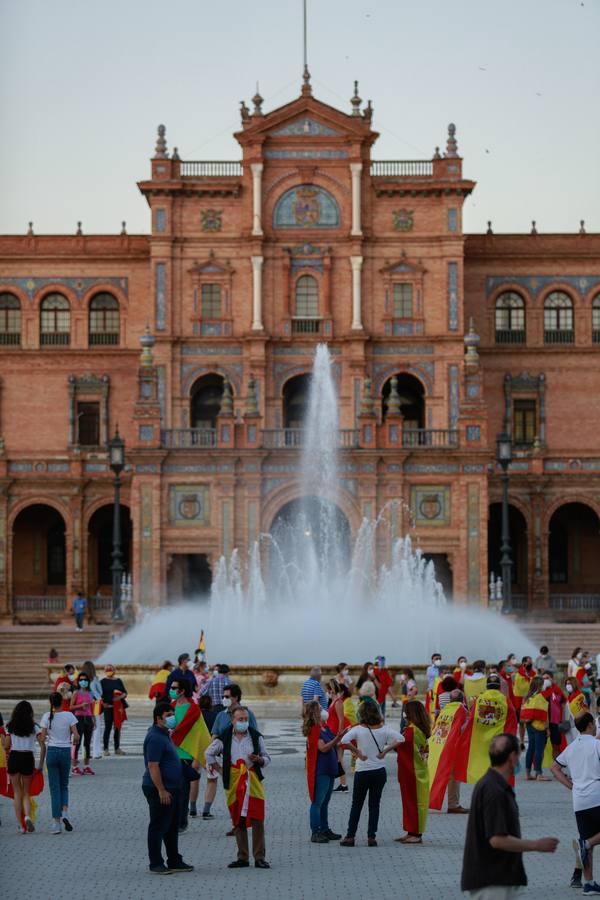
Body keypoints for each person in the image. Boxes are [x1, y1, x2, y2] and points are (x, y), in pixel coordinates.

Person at [461, 732, 559, 896]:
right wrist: (536, 845)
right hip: (493, 881)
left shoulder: (492, 784)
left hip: (496, 877)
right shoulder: (494, 790)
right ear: (512, 757)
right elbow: (497, 839)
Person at [205, 705, 271, 869]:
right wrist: (221, 770)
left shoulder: (256, 737)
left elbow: (267, 758)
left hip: (253, 780)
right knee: (238, 818)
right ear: (232, 721)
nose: (243, 722)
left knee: (257, 818)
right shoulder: (224, 737)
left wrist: (259, 760)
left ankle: (259, 857)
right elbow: (208, 753)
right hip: (233, 782)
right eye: (240, 719)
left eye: (246, 719)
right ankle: (242, 857)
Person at [339, 699, 404, 847]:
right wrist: (385, 751)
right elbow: (401, 738)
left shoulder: (358, 729)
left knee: (357, 804)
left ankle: (350, 836)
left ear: (361, 714)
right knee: (374, 805)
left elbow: (343, 740)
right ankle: (371, 837)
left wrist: (357, 752)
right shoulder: (384, 729)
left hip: (362, 771)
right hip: (379, 771)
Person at [142, 701, 194, 875]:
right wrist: (161, 790)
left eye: (173, 714)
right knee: (158, 826)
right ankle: (155, 862)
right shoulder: (155, 737)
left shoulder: (165, 734)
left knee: (171, 827)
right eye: (168, 715)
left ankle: (174, 860)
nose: (172, 718)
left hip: (173, 788)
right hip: (159, 789)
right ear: (158, 718)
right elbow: (153, 765)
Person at [552, 711, 600, 894]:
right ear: (589, 725)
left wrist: (571, 786)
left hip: (579, 800)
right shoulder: (597, 745)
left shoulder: (571, 748)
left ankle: (589, 883)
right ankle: (586, 845)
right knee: (588, 842)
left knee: (587, 836)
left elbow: (554, 767)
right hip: (597, 795)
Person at [303, 699, 346, 843]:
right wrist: (337, 739)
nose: (324, 711)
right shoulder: (314, 730)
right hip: (320, 769)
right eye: (321, 709)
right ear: (315, 713)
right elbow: (323, 748)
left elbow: (335, 741)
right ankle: (316, 832)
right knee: (317, 802)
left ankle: (325, 829)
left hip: (329, 768)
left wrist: (343, 735)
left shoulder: (325, 727)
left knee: (325, 801)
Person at [2, 700, 46, 833]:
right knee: (26, 793)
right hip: (28, 758)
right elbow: (43, 745)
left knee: (17, 793)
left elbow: (7, 745)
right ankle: (27, 816)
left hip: (14, 757)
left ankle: (21, 826)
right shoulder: (34, 727)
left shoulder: (10, 726)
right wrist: (41, 764)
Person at [40, 692, 78, 834]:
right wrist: (74, 740)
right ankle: (65, 813)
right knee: (64, 786)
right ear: (62, 702)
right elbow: (77, 735)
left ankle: (56, 823)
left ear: (51, 703)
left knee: (54, 789)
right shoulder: (69, 716)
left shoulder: (46, 716)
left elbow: (43, 737)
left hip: (52, 753)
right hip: (65, 752)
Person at [393, 699, 430, 844]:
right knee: (410, 803)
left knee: (414, 803)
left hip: (412, 772)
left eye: (406, 712)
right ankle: (410, 831)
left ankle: (416, 833)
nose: (404, 715)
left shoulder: (411, 730)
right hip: (413, 771)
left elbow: (399, 744)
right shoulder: (417, 728)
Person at [168, 678, 201, 833]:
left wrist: (196, 757)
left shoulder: (193, 708)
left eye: (174, 687)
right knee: (172, 789)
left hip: (186, 755)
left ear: (182, 690)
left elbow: (199, 734)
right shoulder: (171, 706)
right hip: (171, 754)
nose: (171, 689)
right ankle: (173, 819)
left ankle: (182, 822)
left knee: (182, 790)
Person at [521, 675, 551, 781]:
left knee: (531, 748)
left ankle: (528, 773)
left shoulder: (528, 697)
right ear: (540, 686)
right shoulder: (540, 698)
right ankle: (539, 773)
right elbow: (543, 715)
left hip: (529, 726)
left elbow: (524, 712)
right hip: (539, 726)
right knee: (539, 750)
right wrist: (547, 728)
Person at [70, 671, 96, 775]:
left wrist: (93, 719)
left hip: (88, 718)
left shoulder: (90, 693)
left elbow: (92, 707)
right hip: (79, 718)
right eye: (81, 680)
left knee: (87, 743)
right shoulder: (76, 693)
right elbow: (71, 707)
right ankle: (74, 766)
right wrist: (80, 706)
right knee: (77, 742)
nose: (83, 682)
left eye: (85, 680)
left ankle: (86, 765)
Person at [100, 664, 128, 756]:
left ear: (114, 670)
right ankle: (105, 749)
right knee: (107, 728)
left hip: (118, 708)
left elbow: (125, 693)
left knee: (117, 728)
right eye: (107, 669)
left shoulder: (118, 681)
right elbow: (99, 695)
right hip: (108, 707)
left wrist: (119, 697)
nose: (109, 670)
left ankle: (117, 748)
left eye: (110, 669)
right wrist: (103, 704)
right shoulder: (102, 682)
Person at [81, 660, 103, 759]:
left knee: (84, 728)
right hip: (95, 704)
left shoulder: (81, 679)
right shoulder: (94, 679)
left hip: (83, 704)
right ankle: (96, 752)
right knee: (97, 728)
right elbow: (99, 691)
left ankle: (84, 752)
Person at [541, 671, 566, 759]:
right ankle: (538, 772)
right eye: (543, 678)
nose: (545, 680)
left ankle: (557, 770)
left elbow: (563, 703)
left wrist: (562, 718)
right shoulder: (540, 691)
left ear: (552, 679)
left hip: (555, 722)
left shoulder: (557, 690)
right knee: (541, 748)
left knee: (556, 747)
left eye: (547, 678)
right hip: (543, 723)